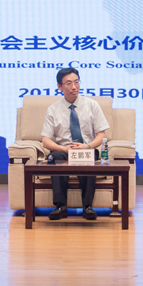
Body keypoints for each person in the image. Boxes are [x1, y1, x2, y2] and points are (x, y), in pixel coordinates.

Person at [41, 67, 109, 221]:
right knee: (56, 157)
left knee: (87, 157)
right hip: (63, 149)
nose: (74, 87)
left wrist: (87, 146)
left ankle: (88, 207)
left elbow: (101, 135)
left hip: (86, 147)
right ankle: (60, 207)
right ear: (59, 86)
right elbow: (46, 140)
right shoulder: (53, 109)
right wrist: (63, 148)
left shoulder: (92, 105)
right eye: (69, 83)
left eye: (77, 82)